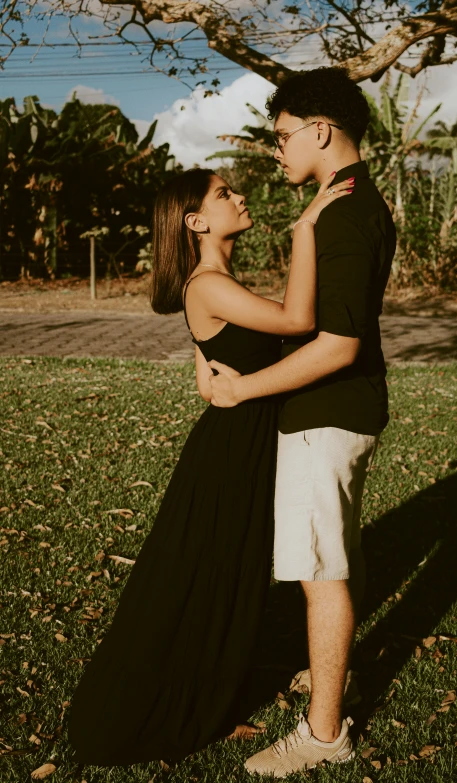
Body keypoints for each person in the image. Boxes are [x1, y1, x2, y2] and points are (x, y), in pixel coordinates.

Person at [66, 166, 354, 767]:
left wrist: (231, 382)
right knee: (203, 574)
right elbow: (299, 322)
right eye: (224, 194)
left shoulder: (214, 281)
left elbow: (208, 379)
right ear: (196, 222)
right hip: (230, 450)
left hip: (236, 437)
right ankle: (170, 692)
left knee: (221, 572)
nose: (239, 196)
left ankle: (210, 670)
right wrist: (306, 225)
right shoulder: (208, 284)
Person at [208, 66, 396, 778]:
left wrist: (245, 389)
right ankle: (328, 673)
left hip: (329, 412)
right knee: (333, 555)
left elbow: (336, 343)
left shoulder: (346, 213)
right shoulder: (341, 202)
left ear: (321, 130)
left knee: (322, 572)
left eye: (283, 137)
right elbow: (311, 316)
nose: (276, 151)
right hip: (339, 410)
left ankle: (324, 733)